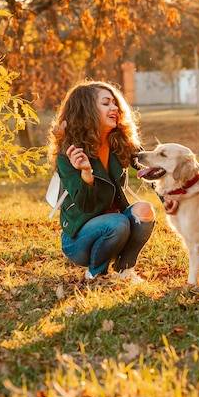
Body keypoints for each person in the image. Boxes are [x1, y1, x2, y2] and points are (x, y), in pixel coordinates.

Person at [47, 80, 155, 283]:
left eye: (114, 103)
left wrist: (169, 198)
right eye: (106, 103)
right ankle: (95, 273)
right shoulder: (69, 153)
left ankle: (125, 270)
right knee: (118, 222)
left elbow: (151, 170)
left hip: (116, 228)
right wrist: (86, 173)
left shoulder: (120, 143)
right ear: (87, 110)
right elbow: (85, 205)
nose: (114, 108)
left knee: (145, 210)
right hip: (79, 240)